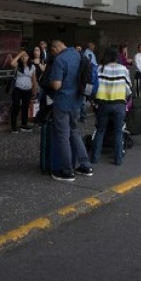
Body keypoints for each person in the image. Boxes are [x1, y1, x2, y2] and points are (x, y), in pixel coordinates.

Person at [48, 40, 93, 181]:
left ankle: (67, 171)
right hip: (77, 102)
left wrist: (49, 80)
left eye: (52, 51)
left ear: (55, 48)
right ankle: (86, 166)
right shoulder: (79, 55)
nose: (52, 54)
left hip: (62, 102)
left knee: (63, 135)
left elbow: (56, 85)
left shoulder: (59, 60)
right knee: (74, 132)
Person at [92, 47, 132, 165]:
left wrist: (93, 101)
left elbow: (94, 86)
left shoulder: (100, 68)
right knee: (118, 132)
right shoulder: (123, 69)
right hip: (119, 104)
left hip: (103, 104)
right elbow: (128, 89)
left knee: (100, 130)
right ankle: (118, 159)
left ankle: (95, 157)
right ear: (117, 57)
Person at [9, 48, 37, 133]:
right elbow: (11, 63)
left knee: (25, 108)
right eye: (23, 56)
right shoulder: (17, 65)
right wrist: (20, 54)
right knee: (16, 106)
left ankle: (24, 125)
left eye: (26, 55)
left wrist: (34, 89)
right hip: (17, 89)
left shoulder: (32, 66)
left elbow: (34, 79)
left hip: (28, 90)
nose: (24, 57)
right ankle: (13, 126)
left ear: (28, 57)